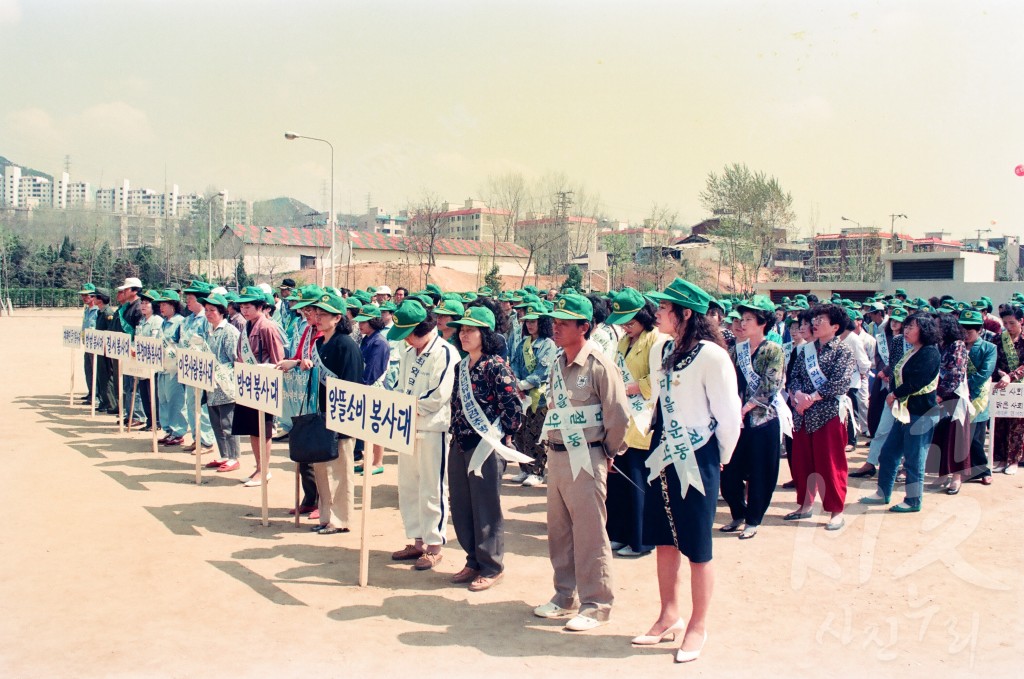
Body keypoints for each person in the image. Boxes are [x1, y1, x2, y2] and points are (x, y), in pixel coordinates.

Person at [634, 278, 741, 663]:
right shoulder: (669, 350)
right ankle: (669, 614)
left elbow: (728, 415)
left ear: (685, 313)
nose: (658, 313)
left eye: (665, 308)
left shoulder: (712, 356)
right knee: (664, 539)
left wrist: (722, 456)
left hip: (697, 458)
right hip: (663, 453)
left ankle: (698, 624)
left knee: (697, 546)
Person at [532, 294, 629, 633]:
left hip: (587, 455)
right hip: (557, 455)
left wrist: (610, 452)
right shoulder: (558, 362)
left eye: (563, 323)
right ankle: (564, 596)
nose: (555, 327)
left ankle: (597, 603)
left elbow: (617, 414)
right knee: (559, 532)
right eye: (554, 322)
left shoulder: (599, 365)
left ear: (584, 327)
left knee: (589, 533)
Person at [446, 306, 523, 591]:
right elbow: (456, 403)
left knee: (486, 507)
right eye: (462, 331)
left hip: (486, 445)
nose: (464, 335)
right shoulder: (461, 367)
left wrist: (505, 437)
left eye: (470, 330)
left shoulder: (496, 366)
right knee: (461, 504)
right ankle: (472, 560)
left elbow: (513, 407)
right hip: (460, 442)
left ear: (485, 334)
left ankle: (491, 566)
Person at [388, 300, 460, 570]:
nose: (406, 340)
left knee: (432, 487)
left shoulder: (445, 352)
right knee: (408, 486)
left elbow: (439, 395)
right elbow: (397, 385)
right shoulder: (408, 353)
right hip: (406, 426)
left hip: (432, 429)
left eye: (408, 333)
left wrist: (407, 407)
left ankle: (434, 545)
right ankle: (417, 540)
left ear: (421, 329)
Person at [286, 291, 364, 534]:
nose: (317, 318)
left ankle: (340, 519)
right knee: (322, 469)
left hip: (342, 415)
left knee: (341, 472)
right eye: (316, 314)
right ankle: (326, 516)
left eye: (323, 315)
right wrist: (303, 365)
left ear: (337, 318)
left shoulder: (347, 345)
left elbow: (352, 384)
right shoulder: (318, 343)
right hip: (320, 415)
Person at [721, 295, 787, 540]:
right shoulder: (735, 350)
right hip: (735, 421)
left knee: (761, 474)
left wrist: (745, 408)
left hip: (762, 421)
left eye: (749, 319)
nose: (743, 323)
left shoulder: (774, 350)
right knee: (729, 473)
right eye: (742, 318)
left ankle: (753, 519)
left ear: (762, 323)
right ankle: (738, 513)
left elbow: (771, 386)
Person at [861, 313, 942, 512]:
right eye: (906, 326)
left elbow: (918, 382)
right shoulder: (914, 350)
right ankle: (883, 492)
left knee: (914, 459)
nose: (906, 330)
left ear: (924, 330)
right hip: (905, 412)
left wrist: (894, 394)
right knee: (888, 453)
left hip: (921, 413)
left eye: (911, 327)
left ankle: (913, 501)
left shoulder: (930, 352)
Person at [786, 303, 855, 530]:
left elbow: (841, 382)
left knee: (830, 463)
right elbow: (793, 376)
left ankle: (836, 511)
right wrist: (797, 395)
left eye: (821, 320)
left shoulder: (843, 351)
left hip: (828, 414)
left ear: (835, 326)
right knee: (802, 461)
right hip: (803, 414)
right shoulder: (805, 349)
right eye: (814, 319)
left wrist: (811, 397)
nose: (815, 323)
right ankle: (805, 505)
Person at [604, 288, 660, 557]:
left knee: (638, 484)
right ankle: (617, 533)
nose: (626, 327)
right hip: (622, 421)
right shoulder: (623, 341)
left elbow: (661, 378)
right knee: (617, 484)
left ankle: (640, 540)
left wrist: (638, 387)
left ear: (644, 316)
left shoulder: (656, 340)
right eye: (623, 322)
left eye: (631, 321)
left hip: (642, 421)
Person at [232, 286, 286, 487]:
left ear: (261, 306)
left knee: (263, 430)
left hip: (263, 386)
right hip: (248, 384)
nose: (244, 310)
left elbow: (278, 359)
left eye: (248, 306)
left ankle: (264, 470)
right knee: (252, 430)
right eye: (242, 306)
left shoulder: (267, 327)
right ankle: (258, 467)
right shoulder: (246, 327)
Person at [852, 307, 908, 477]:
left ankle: (905, 466)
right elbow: (892, 361)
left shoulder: (921, 344)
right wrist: (885, 372)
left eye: (900, 321)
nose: (895, 324)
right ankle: (870, 463)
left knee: (907, 431)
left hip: (909, 393)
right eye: (894, 320)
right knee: (882, 427)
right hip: (890, 388)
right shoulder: (891, 340)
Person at [510, 300, 557, 487]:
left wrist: (522, 384)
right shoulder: (523, 342)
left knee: (535, 434)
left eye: (534, 321)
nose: (529, 324)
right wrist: (516, 384)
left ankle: (537, 471)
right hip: (522, 395)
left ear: (542, 322)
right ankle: (524, 468)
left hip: (539, 396)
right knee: (520, 433)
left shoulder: (548, 345)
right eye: (527, 321)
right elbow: (514, 364)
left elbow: (542, 371)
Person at [199, 292, 242, 472]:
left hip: (226, 385)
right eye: (207, 310)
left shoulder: (230, 331)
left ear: (222, 312)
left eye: (212, 310)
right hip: (211, 385)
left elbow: (236, 359)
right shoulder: (208, 331)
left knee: (228, 422)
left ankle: (234, 456)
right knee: (215, 421)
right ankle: (224, 454)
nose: (209, 313)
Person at [929, 312, 970, 494]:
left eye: (938, 325)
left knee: (956, 438)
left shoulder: (958, 345)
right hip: (937, 394)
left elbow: (955, 373)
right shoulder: (938, 345)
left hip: (953, 396)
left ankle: (956, 477)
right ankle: (942, 474)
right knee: (940, 436)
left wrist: (940, 394)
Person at [959, 310, 996, 485]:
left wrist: (966, 387)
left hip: (976, 397)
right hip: (957, 396)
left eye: (969, 331)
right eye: (963, 330)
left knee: (975, 437)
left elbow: (984, 373)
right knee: (960, 436)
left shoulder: (989, 348)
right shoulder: (956, 346)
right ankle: (966, 470)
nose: (965, 335)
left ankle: (983, 470)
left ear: (979, 330)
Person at [354, 303, 390, 475]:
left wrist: (362, 385)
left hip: (373, 387)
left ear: (374, 322)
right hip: (365, 386)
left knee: (376, 427)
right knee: (367, 427)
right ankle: (367, 459)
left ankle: (378, 462)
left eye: (364, 322)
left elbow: (373, 370)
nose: (360, 325)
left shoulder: (379, 342)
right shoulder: (367, 339)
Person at [179, 280, 216, 455]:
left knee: (201, 405)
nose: (187, 301)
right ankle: (196, 437)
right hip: (188, 367)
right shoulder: (187, 320)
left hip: (201, 368)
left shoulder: (206, 320)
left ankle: (206, 441)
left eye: (191, 298)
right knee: (190, 403)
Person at [992, 303, 1024, 475]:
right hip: (1000, 386)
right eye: (1005, 323)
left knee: (1017, 424)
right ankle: (999, 458)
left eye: (1012, 323)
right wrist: (999, 372)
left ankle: (1013, 460)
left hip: (1020, 387)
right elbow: (992, 361)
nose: (1008, 327)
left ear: (1021, 321)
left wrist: (1011, 376)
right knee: (999, 422)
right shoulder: (998, 339)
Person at [155, 291, 189, 446]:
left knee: (175, 400)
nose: (161, 308)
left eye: (165, 304)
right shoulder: (163, 322)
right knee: (163, 399)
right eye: (160, 305)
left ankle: (178, 431)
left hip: (174, 368)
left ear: (174, 305)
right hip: (162, 367)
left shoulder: (180, 322)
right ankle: (168, 429)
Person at [132, 290, 165, 430]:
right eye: (142, 303)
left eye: (147, 303)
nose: (143, 306)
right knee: (144, 392)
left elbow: (154, 341)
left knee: (154, 394)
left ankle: (156, 421)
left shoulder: (157, 321)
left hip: (153, 364)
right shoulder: (141, 320)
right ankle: (149, 421)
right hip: (142, 362)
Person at [93, 288, 120, 414]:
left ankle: (110, 403)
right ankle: (104, 401)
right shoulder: (101, 312)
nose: (93, 299)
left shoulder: (107, 313)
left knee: (107, 375)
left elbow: (110, 331)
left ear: (101, 298)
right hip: (100, 348)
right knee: (101, 375)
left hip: (106, 349)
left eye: (95, 296)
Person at [78, 283, 99, 403]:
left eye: (87, 296)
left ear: (93, 296)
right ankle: (91, 392)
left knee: (95, 370)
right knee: (88, 369)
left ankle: (96, 395)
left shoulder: (97, 311)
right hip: (87, 344)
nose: (84, 298)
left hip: (95, 345)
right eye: (83, 296)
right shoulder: (87, 310)